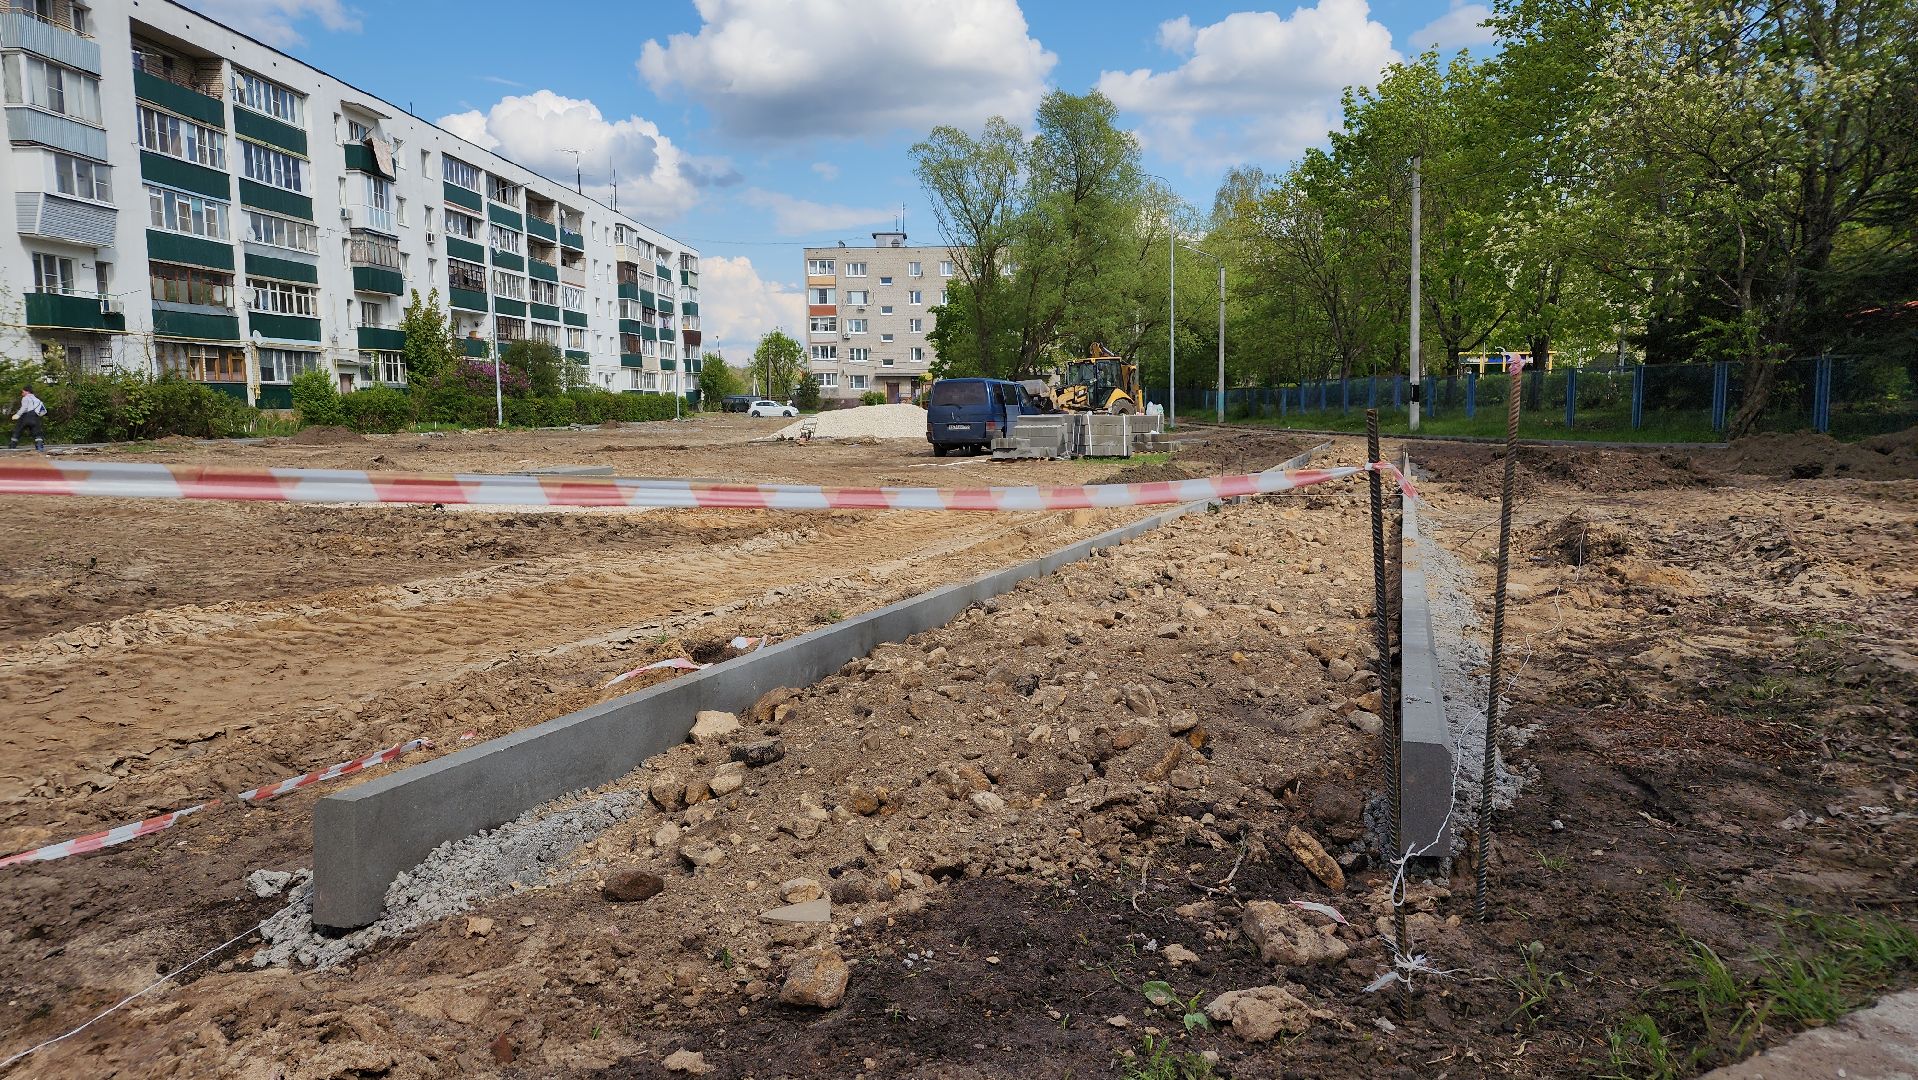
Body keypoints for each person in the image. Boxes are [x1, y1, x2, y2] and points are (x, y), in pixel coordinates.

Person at [9, 384, 47, 452]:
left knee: (18, 430)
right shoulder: (37, 400)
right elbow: (43, 411)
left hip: (26, 416)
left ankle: (12, 445)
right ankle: (39, 446)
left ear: (27, 392)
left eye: (23, 392)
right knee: (37, 432)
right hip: (35, 417)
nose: (22, 393)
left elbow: (24, 408)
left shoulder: (26, 398)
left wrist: (17, 415)